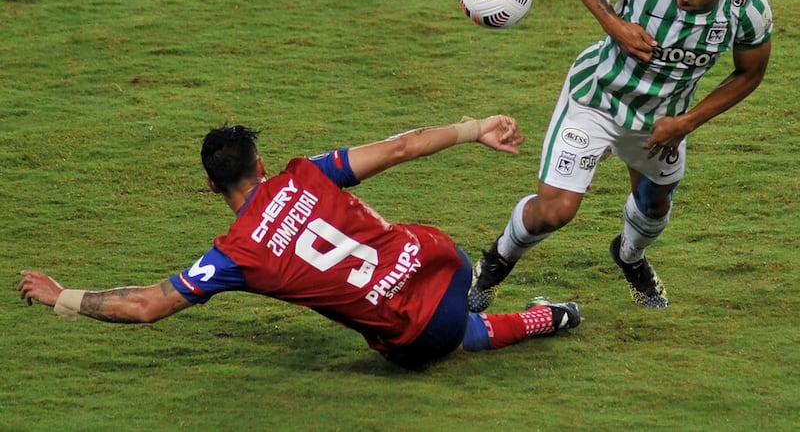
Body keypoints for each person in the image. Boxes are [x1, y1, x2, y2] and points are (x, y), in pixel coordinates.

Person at [18, 115, 581, 370]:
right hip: (444, 258)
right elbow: (398, 149)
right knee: (393, 245)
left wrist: (62, 296)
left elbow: (147, 306)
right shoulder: (304, 173)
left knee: (435, 341)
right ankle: (535, 312)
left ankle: (543, 320)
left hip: (418, 325)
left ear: (211, 186)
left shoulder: (235, 255)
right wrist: (471, 129)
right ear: (260, 165)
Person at [468, 0, 773, 312]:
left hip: (663, 122)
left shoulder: (748, 9)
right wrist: (615, 26)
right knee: (555, 212)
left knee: (654, 206)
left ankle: (630, 257)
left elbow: (751, 73)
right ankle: (493, 265)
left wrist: (686, 123)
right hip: (596, 98)